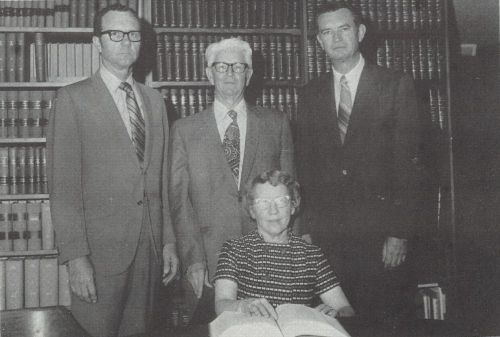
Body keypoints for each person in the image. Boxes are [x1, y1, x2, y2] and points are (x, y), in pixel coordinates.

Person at [47, 4, 178, 336]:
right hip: (100, 256)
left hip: (149, 250)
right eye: (115, 34)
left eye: (133, 34)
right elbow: (63, 189)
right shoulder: (72, 99)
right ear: (97, 42)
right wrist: (76, 258)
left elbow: (160, 180)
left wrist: (168, 243)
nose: (125, 41)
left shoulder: (156, 102)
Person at [296, 2, 420, 322]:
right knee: (332, 323)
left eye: (344, 29)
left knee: (382, 322)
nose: (336, 39)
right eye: (327, 32)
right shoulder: (310, 95)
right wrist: (307, 229)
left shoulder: (396, 85)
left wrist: (399, 232)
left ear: (361, 32)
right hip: (328, 240)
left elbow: (411, 166)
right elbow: (305, 167)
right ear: (319, 42)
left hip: (380, 236)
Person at [169, 37, 295, 322]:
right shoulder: (184, 131)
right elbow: (180, 203)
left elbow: (291, 195)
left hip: (268, 258)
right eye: (221, 66)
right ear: (208, 73)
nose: (229, 73)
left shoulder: (276, 123)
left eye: (238, 67)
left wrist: (289, 257)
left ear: (249, 75)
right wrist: (194, 260)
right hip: (208, 263)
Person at [214, 170, 354, 319]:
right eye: (263, 202)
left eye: (281, 201)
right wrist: (243, 305)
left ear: (293, 206)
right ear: (252, 211)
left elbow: (346, 309)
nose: (273, 211)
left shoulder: (311, 254)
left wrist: (337, 313)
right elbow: (221, 305)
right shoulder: (234, 249)